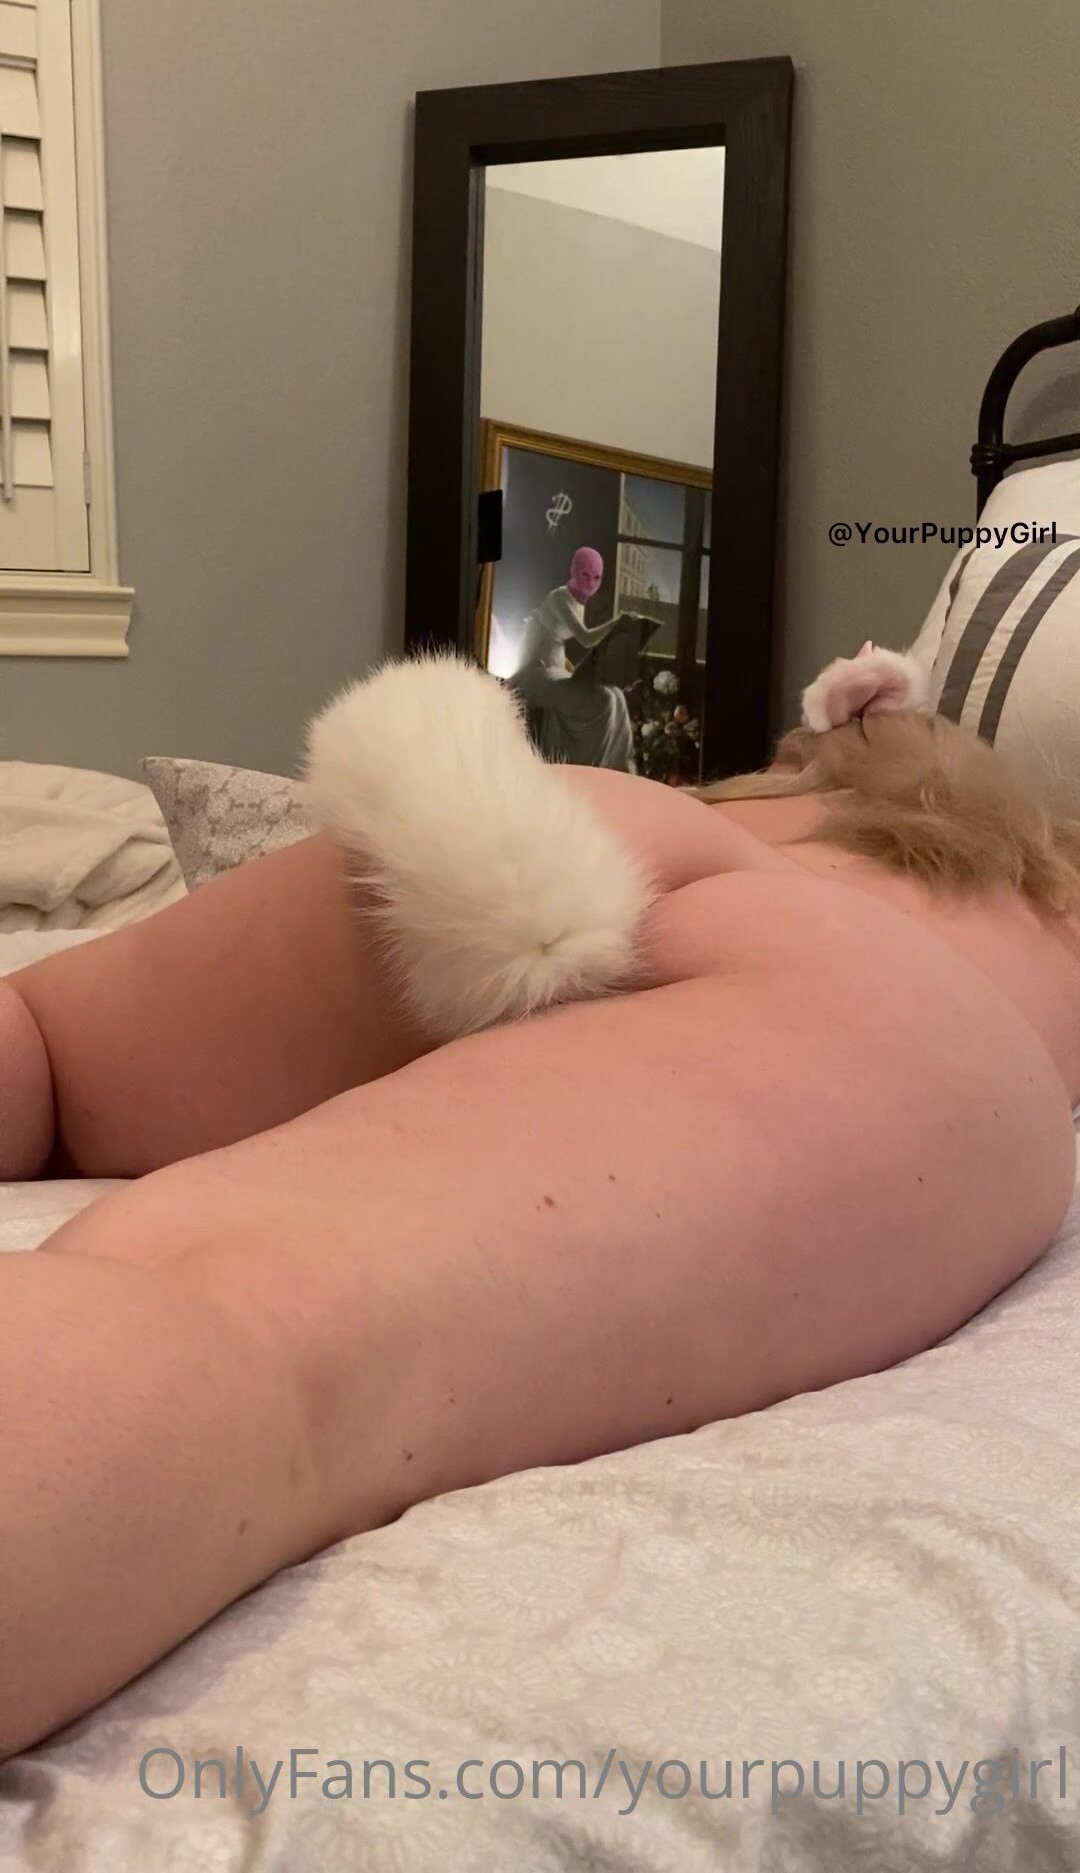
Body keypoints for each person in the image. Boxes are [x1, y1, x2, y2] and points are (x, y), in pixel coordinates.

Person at [2, 643, 1080, 1760]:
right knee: (237, 1318)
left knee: (42, 1048)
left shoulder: (750, 812)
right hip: (868, 986)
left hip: (567, 828)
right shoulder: (1042, 888)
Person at [511, 544, 636, 768]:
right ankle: (591, 767)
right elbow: (586, 638)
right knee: (605, 699)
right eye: (585, 575)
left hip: (555, 670)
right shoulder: (560, 598)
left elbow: (556, 642)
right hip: (534, 676)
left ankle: (618, 766)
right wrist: (617, 623)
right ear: (573, 570)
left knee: (617, 695)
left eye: (596, 578)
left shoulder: (578, 601)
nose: (590, 584)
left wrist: (576, 669)